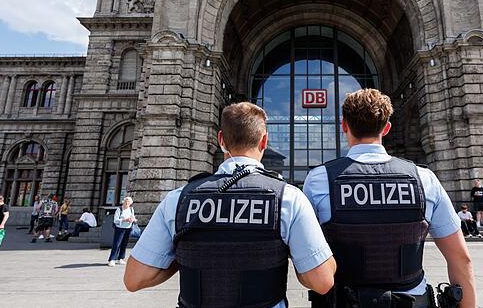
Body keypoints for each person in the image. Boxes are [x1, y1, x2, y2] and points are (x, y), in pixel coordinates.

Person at [124, 102, 336, 307]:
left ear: (221, 140)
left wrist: (182, 256)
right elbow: (322, 281)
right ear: (264, 142)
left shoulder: (178, 199)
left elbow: (134, 279)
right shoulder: (288, 198)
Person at [304, 88, 476, 308]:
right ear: (386, 128)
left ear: (344, 125)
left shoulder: (319, 180)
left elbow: (309, 259)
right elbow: (461, 258)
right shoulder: (424, 179)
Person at [108, 196, 136, 267]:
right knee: (117, 244)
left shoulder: (131, 209)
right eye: (126, 201)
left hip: (128, 228)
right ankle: (112, 259)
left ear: (131, 203)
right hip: (120, 228)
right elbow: (115, 220)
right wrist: (124, 220)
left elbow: (133, 218)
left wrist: (133, 219)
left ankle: (121, 258)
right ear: (123, 202)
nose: (127, 203)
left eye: (128, 202)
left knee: (124, 244)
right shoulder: (119, 209)